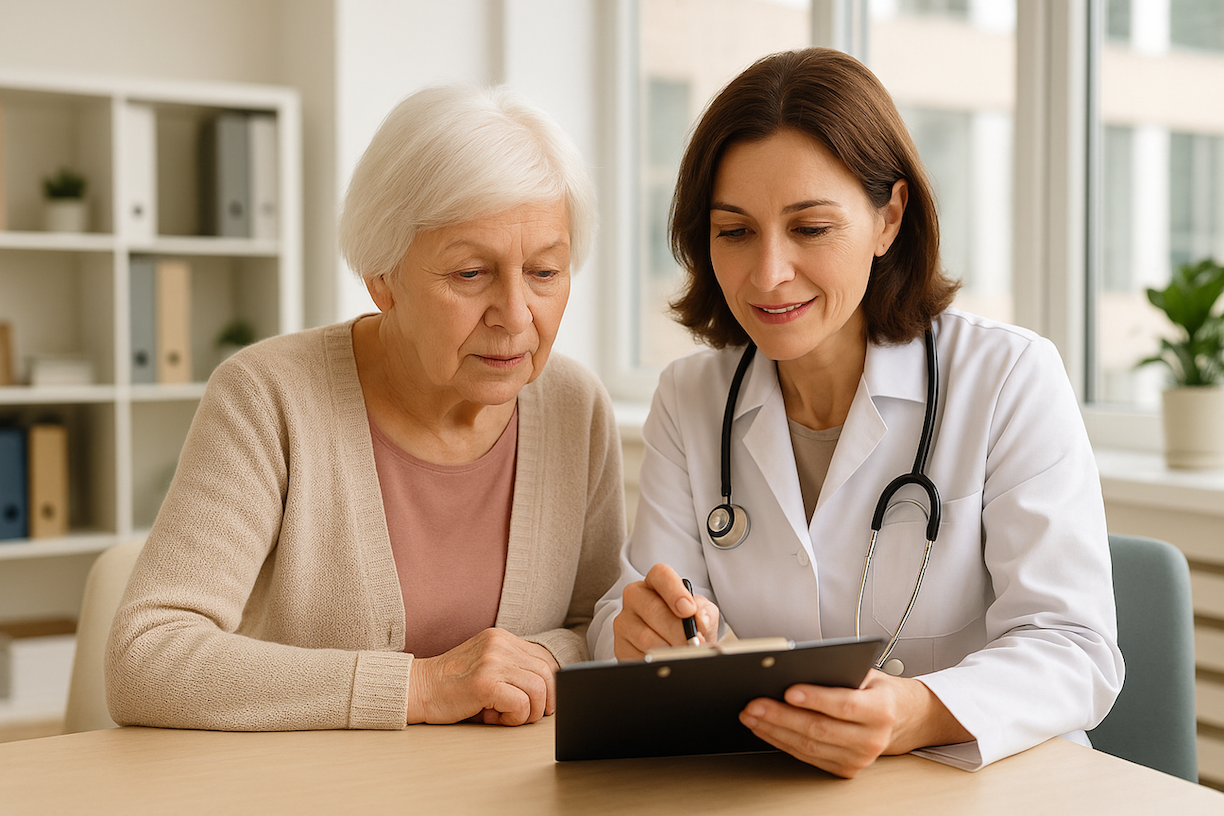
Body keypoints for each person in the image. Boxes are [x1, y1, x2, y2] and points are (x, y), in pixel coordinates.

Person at [589, 48, 1122, 777]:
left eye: (810, 228)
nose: (768, 274)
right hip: (769, 785)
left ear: (888, 218)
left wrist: (916, 712)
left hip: (981, 786)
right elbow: (632, 614)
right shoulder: (691, 398)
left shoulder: (1007, 378)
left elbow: (1075, 648)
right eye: (735, 231)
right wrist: (637, 632)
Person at [107, 84, 625, 731]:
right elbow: (146, 656)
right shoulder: (267, 396)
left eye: (545, 272)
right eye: (471, 273)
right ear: (383, 277)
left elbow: (597, 624)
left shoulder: (576, 408)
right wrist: (422, 687)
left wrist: (543, 659)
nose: (516, 316)